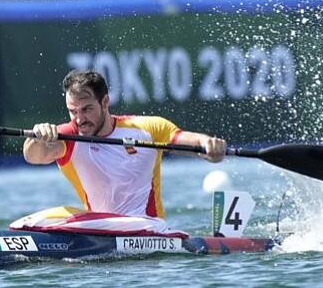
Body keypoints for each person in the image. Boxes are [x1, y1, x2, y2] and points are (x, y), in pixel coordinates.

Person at [23, 69, 226, 219]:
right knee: (45, 218)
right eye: (72, 111)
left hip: (148, 227)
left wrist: (209, 145)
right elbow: (34, 156)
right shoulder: (68, 137)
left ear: (105, 102)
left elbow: (188, 140)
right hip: (101, 228)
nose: (79, 119)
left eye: (86, 109)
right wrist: (37, 138)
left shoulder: (148, 129)